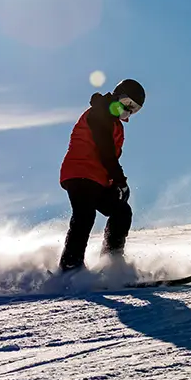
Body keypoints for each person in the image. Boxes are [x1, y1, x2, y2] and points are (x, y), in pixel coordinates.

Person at [58, 78, 146, 272]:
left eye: (134, 108)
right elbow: (105, 152)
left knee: (122, 212)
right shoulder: (100, 113)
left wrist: (114, 183)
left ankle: (111, 263)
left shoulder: (115, 124)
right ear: (117, 96)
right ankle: (70, 266)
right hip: (79, 173)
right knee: (85, 214)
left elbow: (108, 159)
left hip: (96, 179)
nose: (129, 110)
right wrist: (121, 182)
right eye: (127, 103)